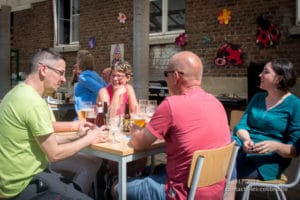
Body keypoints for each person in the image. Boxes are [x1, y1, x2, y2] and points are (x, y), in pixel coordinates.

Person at [113, 51, 231, 199]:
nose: (166, 79)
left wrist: (135, 127)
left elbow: (139, 143)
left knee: (118, 187)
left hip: (182, 193)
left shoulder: (171, 105)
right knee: (155, 169)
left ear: (176, 76)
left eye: (166, 74)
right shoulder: (216, 103)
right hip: (215, 191)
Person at [0, 48, 109, 199]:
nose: (64, 79)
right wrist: (88, 139)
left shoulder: (18, 92)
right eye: (61, 72)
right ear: (43, 69)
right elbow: (54, 154)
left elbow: (45, 139)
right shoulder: (32, 102)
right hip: (21, 186)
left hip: (17, 179)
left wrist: (77, 136)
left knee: (76, 186)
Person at [230, 59, 300, 192]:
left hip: (267, 162)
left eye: (266, 72)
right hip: (242, 149)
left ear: (279, 79)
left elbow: (294, 150)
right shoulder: (257, 98)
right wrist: (246, 140)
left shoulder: (296, 105)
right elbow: (241, 126)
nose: (260, 75)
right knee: (217, 149)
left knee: (221, 169)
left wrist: (275, 146)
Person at [74, 49, 107, 114]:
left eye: (77, 61)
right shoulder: (95, 75)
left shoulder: (84, 77)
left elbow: (102, 90)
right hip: (92, 112)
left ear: (80, 62)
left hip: (86, 113)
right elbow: (107, 88)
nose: (76, 63)